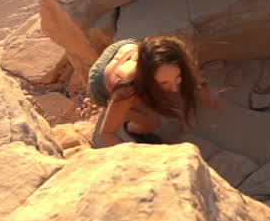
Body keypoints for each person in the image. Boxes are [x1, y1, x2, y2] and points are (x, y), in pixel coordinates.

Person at [88, 35, 219, 147]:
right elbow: (106, 134)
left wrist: (203, 88)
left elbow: (187, 63)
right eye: (164, 83)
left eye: (177, 77)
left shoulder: (171, 53)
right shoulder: (127, 89)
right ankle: (131, 127)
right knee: (152, 123)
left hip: (123, 48)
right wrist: (136, 156)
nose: (174, 89)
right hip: (100, 85)